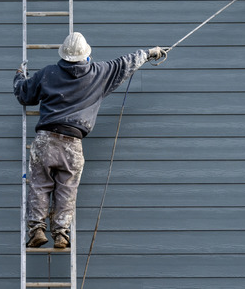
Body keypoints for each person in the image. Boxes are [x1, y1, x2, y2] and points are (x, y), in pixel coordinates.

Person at [14, 32, 164, 248]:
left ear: (64, 55)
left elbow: (24, 94)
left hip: (45, 139)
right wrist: (150, 53)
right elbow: (125, 63)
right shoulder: (97, 73)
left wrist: (19, 74)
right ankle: (61, 234)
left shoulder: (48, 73)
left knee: (39, 185)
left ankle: (37, 229)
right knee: (67, 188)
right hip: (73, 143)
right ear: (86, 55)